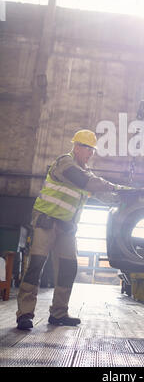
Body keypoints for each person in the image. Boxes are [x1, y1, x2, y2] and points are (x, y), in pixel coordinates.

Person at [16, 129, 131, 330]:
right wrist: (114, 187)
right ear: (77, 147)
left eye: (93, 150)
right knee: (35, 266)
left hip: (67, 228)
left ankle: (59, 313)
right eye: (88, 149)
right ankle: (25, 314)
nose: (91, 154)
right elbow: (86, 182)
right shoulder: (65, 164)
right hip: (47, 223)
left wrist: (127, 195)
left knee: (68, 269)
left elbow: (102, 194)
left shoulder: (85, 173)